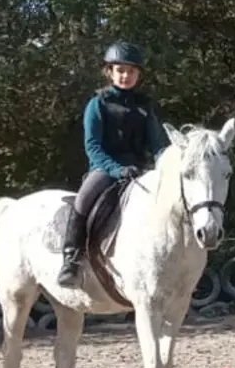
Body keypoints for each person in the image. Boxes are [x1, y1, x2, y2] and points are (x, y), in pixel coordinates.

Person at [57, 42, 170, 287]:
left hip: (139, 170)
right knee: (83, 199)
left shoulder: (144, 106)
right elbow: (93, 147)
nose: (125, 76)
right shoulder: (98, 104)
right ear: (110, 72)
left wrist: (167, 164)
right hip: (105, 169)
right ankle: (71, 259)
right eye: (120, 70)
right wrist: (115, 169)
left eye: (131, 71)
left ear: (138, 74)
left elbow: (157, 143)